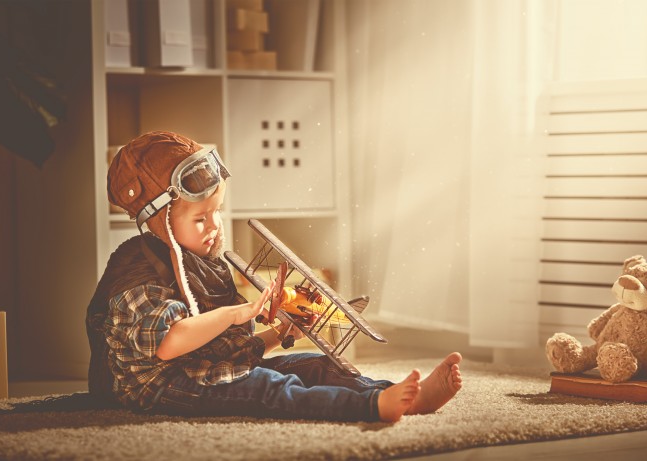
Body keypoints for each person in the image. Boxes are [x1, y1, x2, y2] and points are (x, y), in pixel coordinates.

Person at [86, 131, 462, 422]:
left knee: (315, 362)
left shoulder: (199, 262)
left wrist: (281, 332)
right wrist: (239, 313)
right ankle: (372, 406)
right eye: (200, 218)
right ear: (160, 221)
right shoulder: (137, 273)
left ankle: (395, 394)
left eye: (217, 212)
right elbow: (167, 346)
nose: (214, 227)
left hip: (201, 368)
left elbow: (220, 351)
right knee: (269, 387)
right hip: (164, 387)